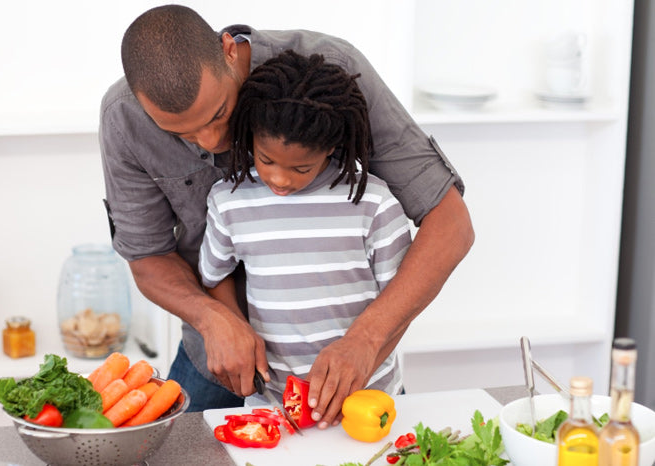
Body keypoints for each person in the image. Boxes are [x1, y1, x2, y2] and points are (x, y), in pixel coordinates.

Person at [100, 4, 474, 427]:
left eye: (220, 113)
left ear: (227, 50)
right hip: (214, 356)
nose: (212, 139)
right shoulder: (123, 117)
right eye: (181, 133)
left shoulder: (332, 71)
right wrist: (213, 318)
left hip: (351, 370)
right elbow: (147, 257)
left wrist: (365, 342)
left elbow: (451, 224)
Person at [198, 50, 412, 403]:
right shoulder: (230, 201)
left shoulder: (372, 203)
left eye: (301, 168)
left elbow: (401, 302)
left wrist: (362, 356)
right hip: (272, 402)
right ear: (249, 134)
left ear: (330, 147)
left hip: (367, 397)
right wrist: (236, 328)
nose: (279, 179)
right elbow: (214, 276)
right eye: (266, 160)